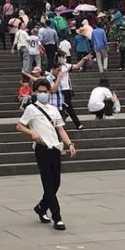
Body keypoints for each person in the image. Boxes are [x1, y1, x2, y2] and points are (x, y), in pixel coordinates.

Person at [18, 79, 76, 230]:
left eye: (45, 91)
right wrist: (31, 132)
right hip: (42, 148)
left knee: (56, 182)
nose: (43, 94)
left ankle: (41, 207)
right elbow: (19, 125)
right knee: (48, 183)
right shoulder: (31, 108)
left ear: (49, 92)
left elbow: (61, 129)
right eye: (40, 91)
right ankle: (57, 217)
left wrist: (69, 144)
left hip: (55, 148)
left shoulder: (54, 109)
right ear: (35, 92)